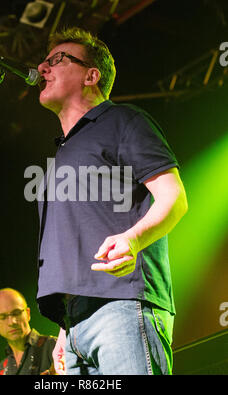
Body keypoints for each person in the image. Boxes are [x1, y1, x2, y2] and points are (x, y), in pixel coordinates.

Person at [36, 27, 188, 375]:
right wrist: (65, 329)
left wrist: (133, 239)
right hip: (74, 325)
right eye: (44, 61)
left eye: (57, 60)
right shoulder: (61, 154)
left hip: (123, 307)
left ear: (92, 75)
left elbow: (174, 197)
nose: (43, 68)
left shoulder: (123, 120)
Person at [0, 288, 59, 375]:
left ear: (28, 313)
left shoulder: (55, 347)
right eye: (3, 317)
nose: (12, 322)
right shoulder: (0, 370)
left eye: (16, 313)